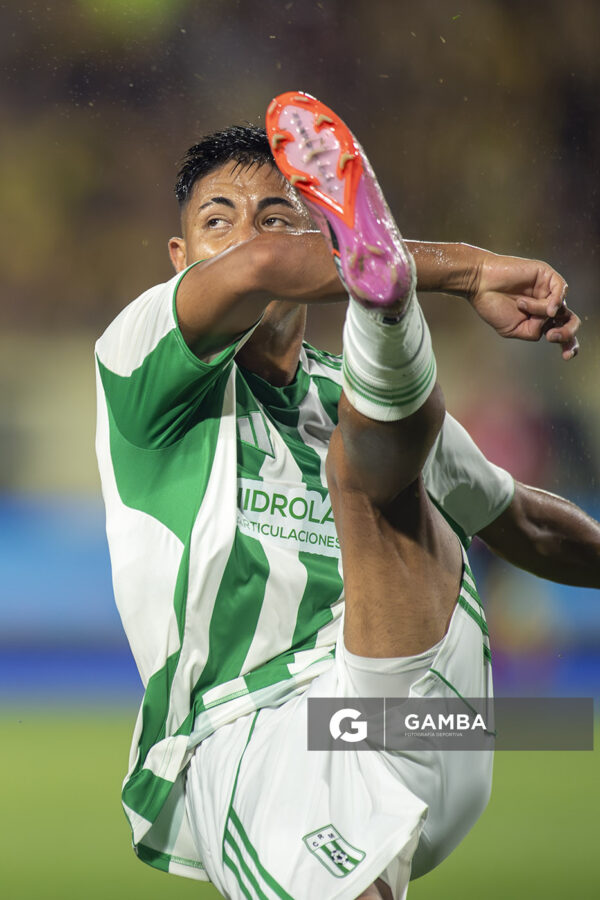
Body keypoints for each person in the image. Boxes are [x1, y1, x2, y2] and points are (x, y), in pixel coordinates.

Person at [95, 91, 597, 900]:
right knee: (370, 462)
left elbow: (524, 522)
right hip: (257, 721)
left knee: (393, 466)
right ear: (179, 257)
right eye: (218, 221)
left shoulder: (340, 395)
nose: (249, 238)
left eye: (278, 216)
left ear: (318, 240)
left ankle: (386, 304)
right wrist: (467, 268)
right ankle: (387, 305)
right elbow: (257, 270)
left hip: (437, 719)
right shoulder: (136, 361)